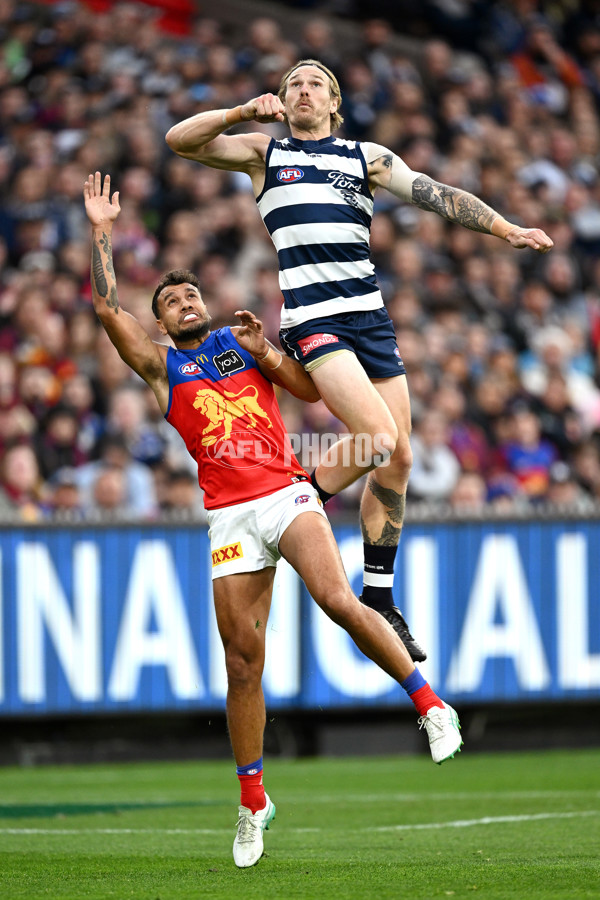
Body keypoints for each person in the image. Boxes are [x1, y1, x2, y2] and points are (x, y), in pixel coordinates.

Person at [84, 172, 463, 869]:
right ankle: (252, 802)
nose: (184, 301)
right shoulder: (164, 367)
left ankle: (432, 705)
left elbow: (310, 390)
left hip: (284, 493)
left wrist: (268, 352)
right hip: (227, 517)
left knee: (335, 598)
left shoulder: (242, 342)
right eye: (170, 300)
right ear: (163, 323)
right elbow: (109, 312)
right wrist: (103, 233)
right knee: (242, 666)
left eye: (190, 292)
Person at [164, 58, 555, 662]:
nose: (301, 90)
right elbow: (180, 141)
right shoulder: (264, 155)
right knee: (374, 437)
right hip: (314, 320)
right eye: (293, 82)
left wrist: (506, 229)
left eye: (314, 82)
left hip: (370, 319)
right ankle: (301, 498)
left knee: (399, 454)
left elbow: (436, 193)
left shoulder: (364, 158)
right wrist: (243, 110)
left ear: (334, 101)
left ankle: (378, 595)